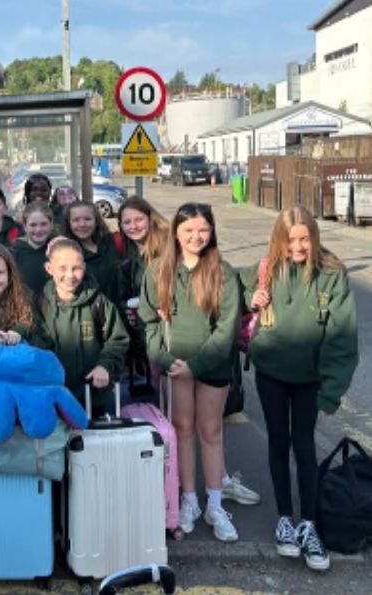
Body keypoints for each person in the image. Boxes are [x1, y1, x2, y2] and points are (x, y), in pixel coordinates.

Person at [242, 206, 358, 571]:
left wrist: (331, 391)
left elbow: (343, 338)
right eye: (290, 239)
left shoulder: (332, 274)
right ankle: (285, 519)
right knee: (278, 442)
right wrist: (252, 299)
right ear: (280, 239)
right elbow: (233, 285)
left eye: (304, 238)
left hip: (310, 379)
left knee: (305, 447)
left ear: (314, 236)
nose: (297, 246)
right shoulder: (267, 268)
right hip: (271, 373)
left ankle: (308, 523)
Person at [139, 203, 240, 543]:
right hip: (175, 365)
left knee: (210, 430)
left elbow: (226, 329)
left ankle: (215, 503)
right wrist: (165, 360)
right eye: (188, 231)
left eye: (203, 230)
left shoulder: (223, 272)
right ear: (176, 234)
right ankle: (189, 500)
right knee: (182, 429)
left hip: (210, 366)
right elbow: (149, 322)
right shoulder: (158, 270)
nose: (196, 237)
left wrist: (194, 366)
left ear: (211, 232)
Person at [35, 238, 129, 417]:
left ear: (84, 267)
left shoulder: (98, 302)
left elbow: (117, 339)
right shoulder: (41, 304)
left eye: (76, 268)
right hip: (53, 395)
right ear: (49, 269)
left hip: (93, 394)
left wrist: (105, 366)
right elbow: (36, 343)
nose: (70, 275)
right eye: (62, 268)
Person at [63, 200, 121, 302]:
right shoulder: (66, 253)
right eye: (76, 220)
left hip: (120, 309)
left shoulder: (113, 242)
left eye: (87, 219)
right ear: (68, 224)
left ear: (96, 221)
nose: (82, 224)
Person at [13, 201, 55, 296]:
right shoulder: (13, 254)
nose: (38, 230)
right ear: (25, 226)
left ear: (51, 224)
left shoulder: (59, 252)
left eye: (43, 224)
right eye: (33, 225)